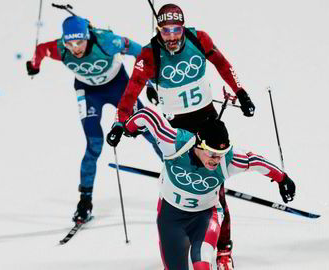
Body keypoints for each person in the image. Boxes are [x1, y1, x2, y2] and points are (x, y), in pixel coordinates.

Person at [109, 4, 256, 268]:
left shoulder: (199, 38)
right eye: (166, 31)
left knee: (215, 188)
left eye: (177, 30)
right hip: (178, 130)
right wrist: (121, 122)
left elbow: (223, 64)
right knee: (179, 177)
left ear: (183, 27)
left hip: (208, 122)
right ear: (159, 30)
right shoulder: (150, 54)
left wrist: (241, 92)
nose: (172, 36)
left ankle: (223, 251)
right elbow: (131, 91)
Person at [107, 107, 296, 270]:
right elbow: (148, 115)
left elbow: (254, 161)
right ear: (199, 144)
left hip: (205, 216)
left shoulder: (228, 161)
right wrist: (126, 127)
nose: (216, 160)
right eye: (213, 154)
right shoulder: (174, 143)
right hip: (170, 217)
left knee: (202, 263)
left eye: (221, 154)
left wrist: (283, 179)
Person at [25, 15, 163, 224]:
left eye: (79, 42)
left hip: (118, 87)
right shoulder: (60, 48)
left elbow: (141, 53)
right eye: (70, 43)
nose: (75, 48)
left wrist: (151, 84)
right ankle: (85, 201)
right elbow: (41, 50)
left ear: (88, 36)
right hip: (88, 92)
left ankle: (176, 169)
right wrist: (34, 65)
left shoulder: (107, 41)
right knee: (94, 144)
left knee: (145, 129)